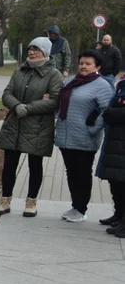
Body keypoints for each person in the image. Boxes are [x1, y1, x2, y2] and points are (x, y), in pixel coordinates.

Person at [0, 37, 62, 218]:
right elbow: (7, 92)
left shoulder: (53, 74)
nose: (31, 52)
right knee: (9, 165)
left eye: (36, 49)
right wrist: (16, 106)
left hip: (38, 126)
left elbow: (54, 100)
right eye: (30, 48)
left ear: (45, 52)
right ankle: (5, 199)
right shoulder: (19, 71)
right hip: (14, 123)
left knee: (35, 164)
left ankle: (31, 201)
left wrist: (28, 109)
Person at [55, 50, 114, 223]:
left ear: (97, 66)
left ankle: (81, 209)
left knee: (82, 173)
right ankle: (75, 206)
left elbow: (106, 111)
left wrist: (92, 129)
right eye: (81, 63)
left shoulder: (101, 85)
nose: (83, 66)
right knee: (71, 173)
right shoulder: (73, 81)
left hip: (85, 138)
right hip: (66, 136)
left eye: (88, 64)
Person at [97, 77, 125, 237]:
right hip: (115, 140)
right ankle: (119, 215)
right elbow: (110, 109)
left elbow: (112, 111)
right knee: (116, 181)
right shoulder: (121, 84)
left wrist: (112, 112)